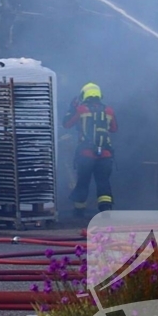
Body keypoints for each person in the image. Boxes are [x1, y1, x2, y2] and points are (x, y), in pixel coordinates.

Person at [64, 82, 118, 217]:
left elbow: (67, 124)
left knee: (83, 181)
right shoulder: (109, 110)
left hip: (86, 154)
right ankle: (106, 211)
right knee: (103, 182)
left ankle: (79, 211)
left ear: (84, 94)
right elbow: (114, 129)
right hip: (105, 155)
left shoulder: (81, 109)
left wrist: (72, 109)